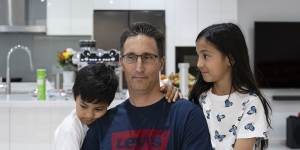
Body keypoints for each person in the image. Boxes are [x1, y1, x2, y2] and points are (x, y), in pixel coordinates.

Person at [81, 22, 212, 150]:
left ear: (161, 63)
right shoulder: (102, 126)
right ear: (121, 63)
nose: (139, 67)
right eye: (131, 57)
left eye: (147, 57)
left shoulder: (187, 117)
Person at [53, 63, 181, 150]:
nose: (89, 115)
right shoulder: (70, 130)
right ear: (75, 97)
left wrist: (167, 88)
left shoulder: (111, 119)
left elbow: (139, 98)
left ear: (108, 104)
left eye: (98, 109)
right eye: (83, 106)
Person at [189, 23, 272, 150]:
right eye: (198, 55)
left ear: (230, 59)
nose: (199, 64)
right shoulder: (200, 97)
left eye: (205, 56)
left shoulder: (251, 103)